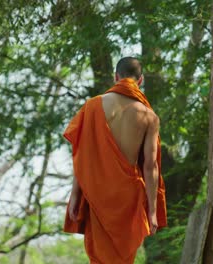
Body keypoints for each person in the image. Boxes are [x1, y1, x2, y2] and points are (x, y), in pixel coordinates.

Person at [63, 57, 167, 264]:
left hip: (98, 193)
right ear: (141, 80)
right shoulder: (149, 116)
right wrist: (153, 211)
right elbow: (150, 166)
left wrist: (75, 195)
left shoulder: (92, 106)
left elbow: (83, 154)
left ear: (115, 77)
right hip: (128, 198)